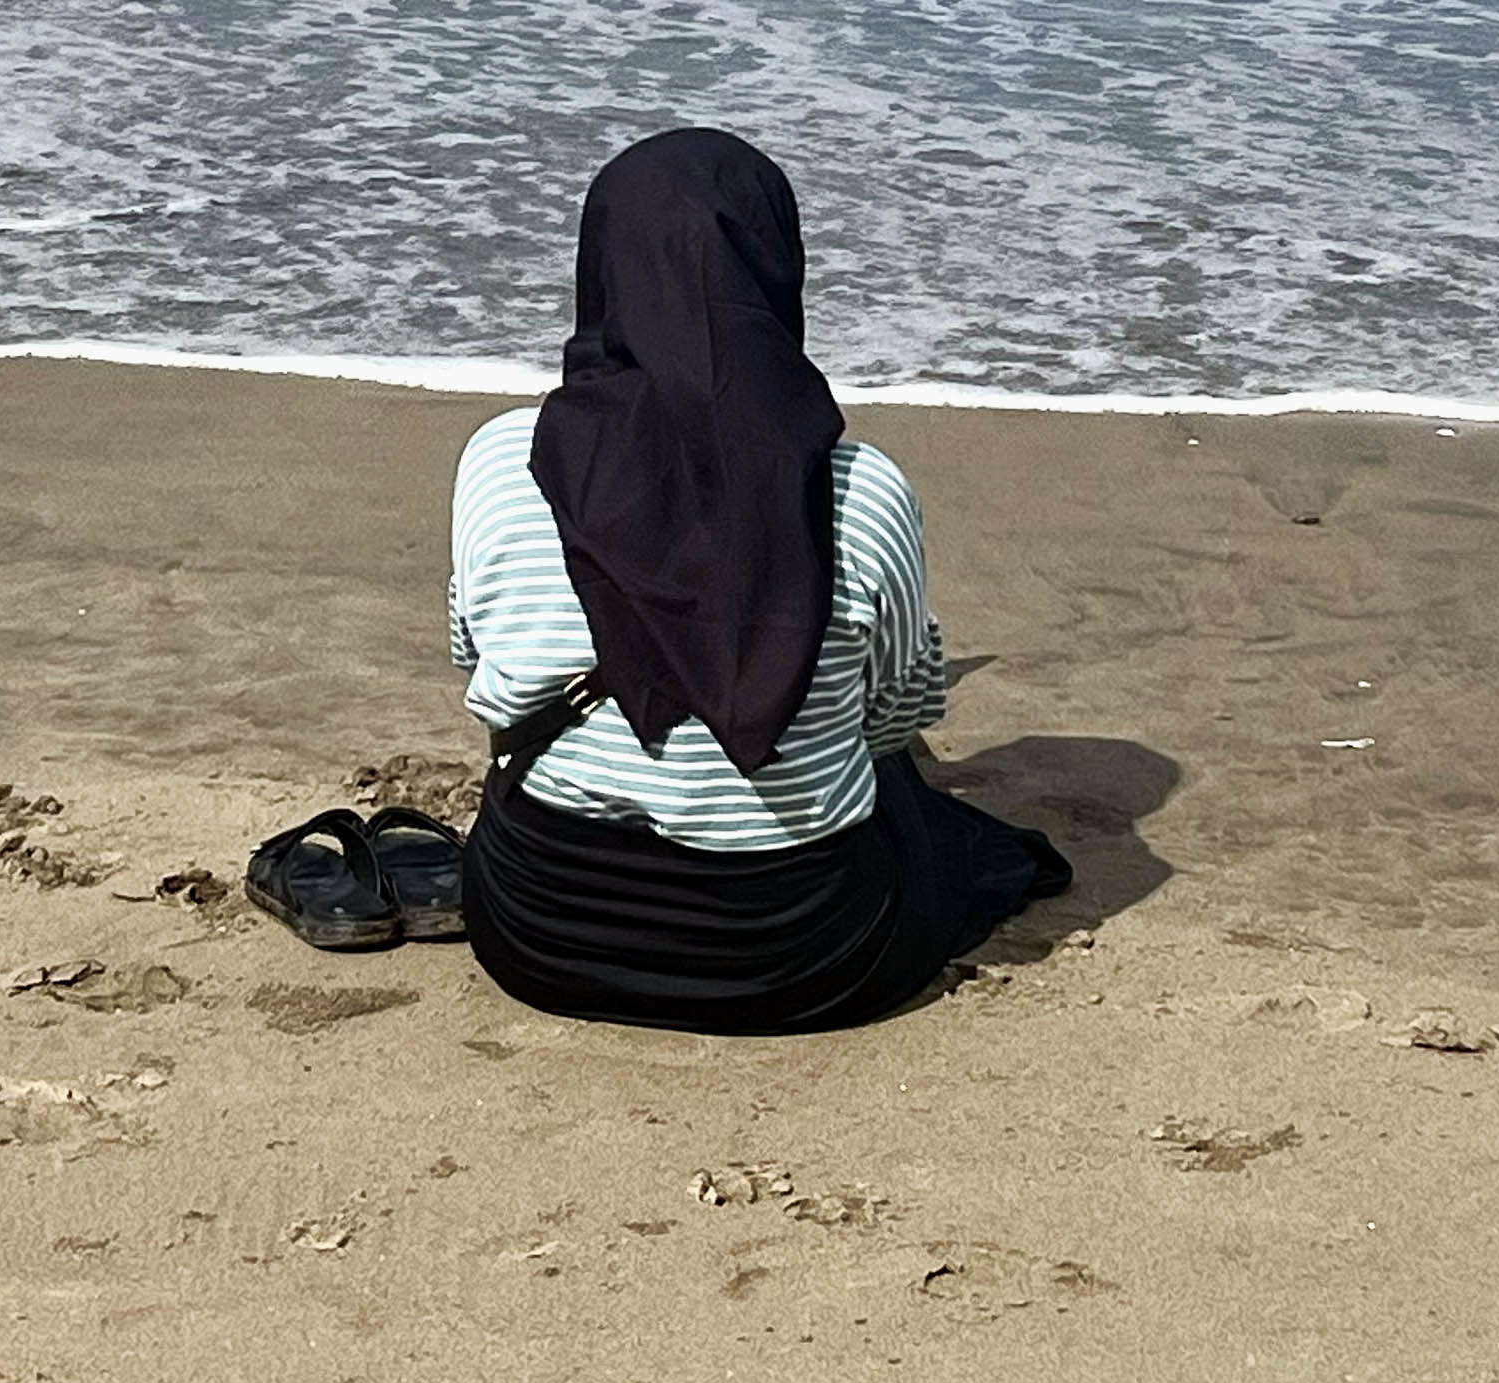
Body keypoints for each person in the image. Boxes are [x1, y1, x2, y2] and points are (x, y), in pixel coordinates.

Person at [448, 125, 1069, 1032]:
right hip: (802, 953)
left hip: (540, 930)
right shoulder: (860, 491)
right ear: (774, 273)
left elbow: (477, 666)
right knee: (913, 804)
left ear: (602, 268)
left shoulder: (504, 462)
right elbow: (895, 717)